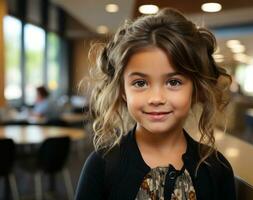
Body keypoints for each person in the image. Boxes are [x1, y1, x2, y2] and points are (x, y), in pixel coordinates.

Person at [75, 8, 236, 200]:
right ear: (123, 91)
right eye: (140, 83)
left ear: (196, 89)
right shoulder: (102, 165)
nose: (156, 98)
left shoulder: (216, 168)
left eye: (173, 82)